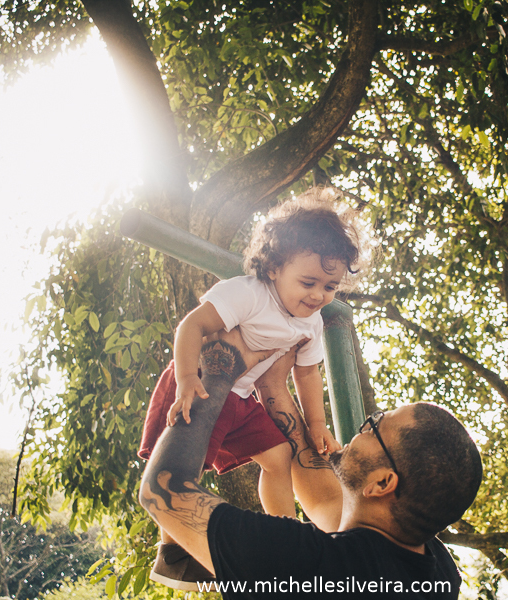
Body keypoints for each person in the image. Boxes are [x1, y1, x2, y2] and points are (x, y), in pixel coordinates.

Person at [137, 187, 371, 588]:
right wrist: (189, 379)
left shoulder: (311, 323)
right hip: (201, 386)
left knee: (280, 454)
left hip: (242, 401)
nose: (318, 295)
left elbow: (308, 374)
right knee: (186, 467)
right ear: (275, 267)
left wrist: (317, 424)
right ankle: (172, 553)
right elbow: (192, 326)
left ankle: (285, 532)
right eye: (309, 281)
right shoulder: (247, 292)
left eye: (330, 287)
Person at [139, 336, 483, 599]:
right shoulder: (434, 572)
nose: (362, 427)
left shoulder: (304, 565)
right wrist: (272, 386)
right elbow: (323, 500)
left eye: (375, 426)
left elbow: (162, 491)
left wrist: (217, 371)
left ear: (382, 483)